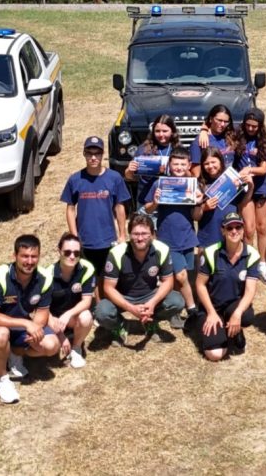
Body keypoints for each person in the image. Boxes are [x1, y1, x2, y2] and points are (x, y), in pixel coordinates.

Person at [0, 234, 60, 404]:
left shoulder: (45, 278)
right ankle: (2, 378)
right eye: (25, 256)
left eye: (34, 256)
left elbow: (42, 312)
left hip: (19, 325)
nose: (29, 261)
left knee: (52, 345)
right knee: (1, 334)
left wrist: (35, 329)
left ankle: (15, 352)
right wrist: (26, 323)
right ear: (15, 256)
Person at [95, 213, 184, 344]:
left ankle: (151, 322)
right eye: (136, 234)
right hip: (123, 296)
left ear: (152, 234)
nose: (140, 238)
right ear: (129, 234)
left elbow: (168, 282)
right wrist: (131, 308)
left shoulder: (162, 249)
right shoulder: (116, 252)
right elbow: (108, 288)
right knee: (101, 312)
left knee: (177, 301)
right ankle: (120, 325)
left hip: (150, 295)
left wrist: (152, 303)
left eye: (144, 233)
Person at [60, 136, 131, 283]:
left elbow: (120, 207)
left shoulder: (114, 178)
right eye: (89, 153)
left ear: (102, 154)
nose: (93, 157)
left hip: (108, 240)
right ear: (84, 154)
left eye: (97, 153)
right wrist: (74, 236)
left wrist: (122, 234)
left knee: (108, 279)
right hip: (85, 240)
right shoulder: (75, 179)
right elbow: (70, 209)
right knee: (88, 280)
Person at [145, 147, 199, 329]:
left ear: (189, 165)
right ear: (169, 165)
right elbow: (147, 209)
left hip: (187, 236)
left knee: (183, 276)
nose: (179, 167)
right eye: (175, 164)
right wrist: (155, 202)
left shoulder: (192, 184)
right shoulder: (160, 184)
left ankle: (175, 309)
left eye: (183, 164)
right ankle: (191, 310)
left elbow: (196, 215)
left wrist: (199, 201)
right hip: (168, 238)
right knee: (180, 276)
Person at [196, 211, 261, 361]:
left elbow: (250, 290)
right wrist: (211, 313)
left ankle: (235, 328)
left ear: (243, 230)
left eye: (238, 227)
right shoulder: (211, 252)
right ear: (223, 231)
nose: (234, 231)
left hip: (234, 305)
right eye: (229, 228)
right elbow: (200, 285)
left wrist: (237, 314)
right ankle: (223, 329)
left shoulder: (252, 254)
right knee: (215, 354)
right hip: (212, 306)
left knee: (246, 316)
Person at [47, 233, 95, 369]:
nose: (72, 256)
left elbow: (86, 302)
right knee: (50, 348)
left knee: (86, 316)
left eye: (76, 253)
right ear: (59, 251)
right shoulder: (47, 274)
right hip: (53, 319)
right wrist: (60, 334)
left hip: (72, 317)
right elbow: (43, 310)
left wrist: (68, 314)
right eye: (67, 252)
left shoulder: (87, 269)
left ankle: (76, 348)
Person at [234, 107, 266, 260]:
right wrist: (204, 129)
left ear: (260, 126)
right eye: (248, 125)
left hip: (262, 188)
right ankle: (248, 260)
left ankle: (262, 261)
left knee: (262, 228)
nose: (250, 129)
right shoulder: (237, 136)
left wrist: (248, 170)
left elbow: (263, 169)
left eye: (254, 126)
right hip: (244, 188)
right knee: (249, 229)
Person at [124, 114, 179, 207]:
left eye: (165, 131)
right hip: (146, 201)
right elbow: (129, 177)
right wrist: (130, 170)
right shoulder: (144, 149)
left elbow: (188, 175)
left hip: (170, 200)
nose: (161, 134)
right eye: (157, 131)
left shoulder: (178, 149)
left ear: (172, 131)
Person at [191, 104, 237, 176]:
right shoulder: (200, 141)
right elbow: (196, 173)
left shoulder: (231, 136)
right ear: (211, 119)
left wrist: (204, 129)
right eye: (219, 120)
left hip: (231, 179)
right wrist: (204, 130)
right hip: (211, 181)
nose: (222, 124)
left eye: (226, 122)